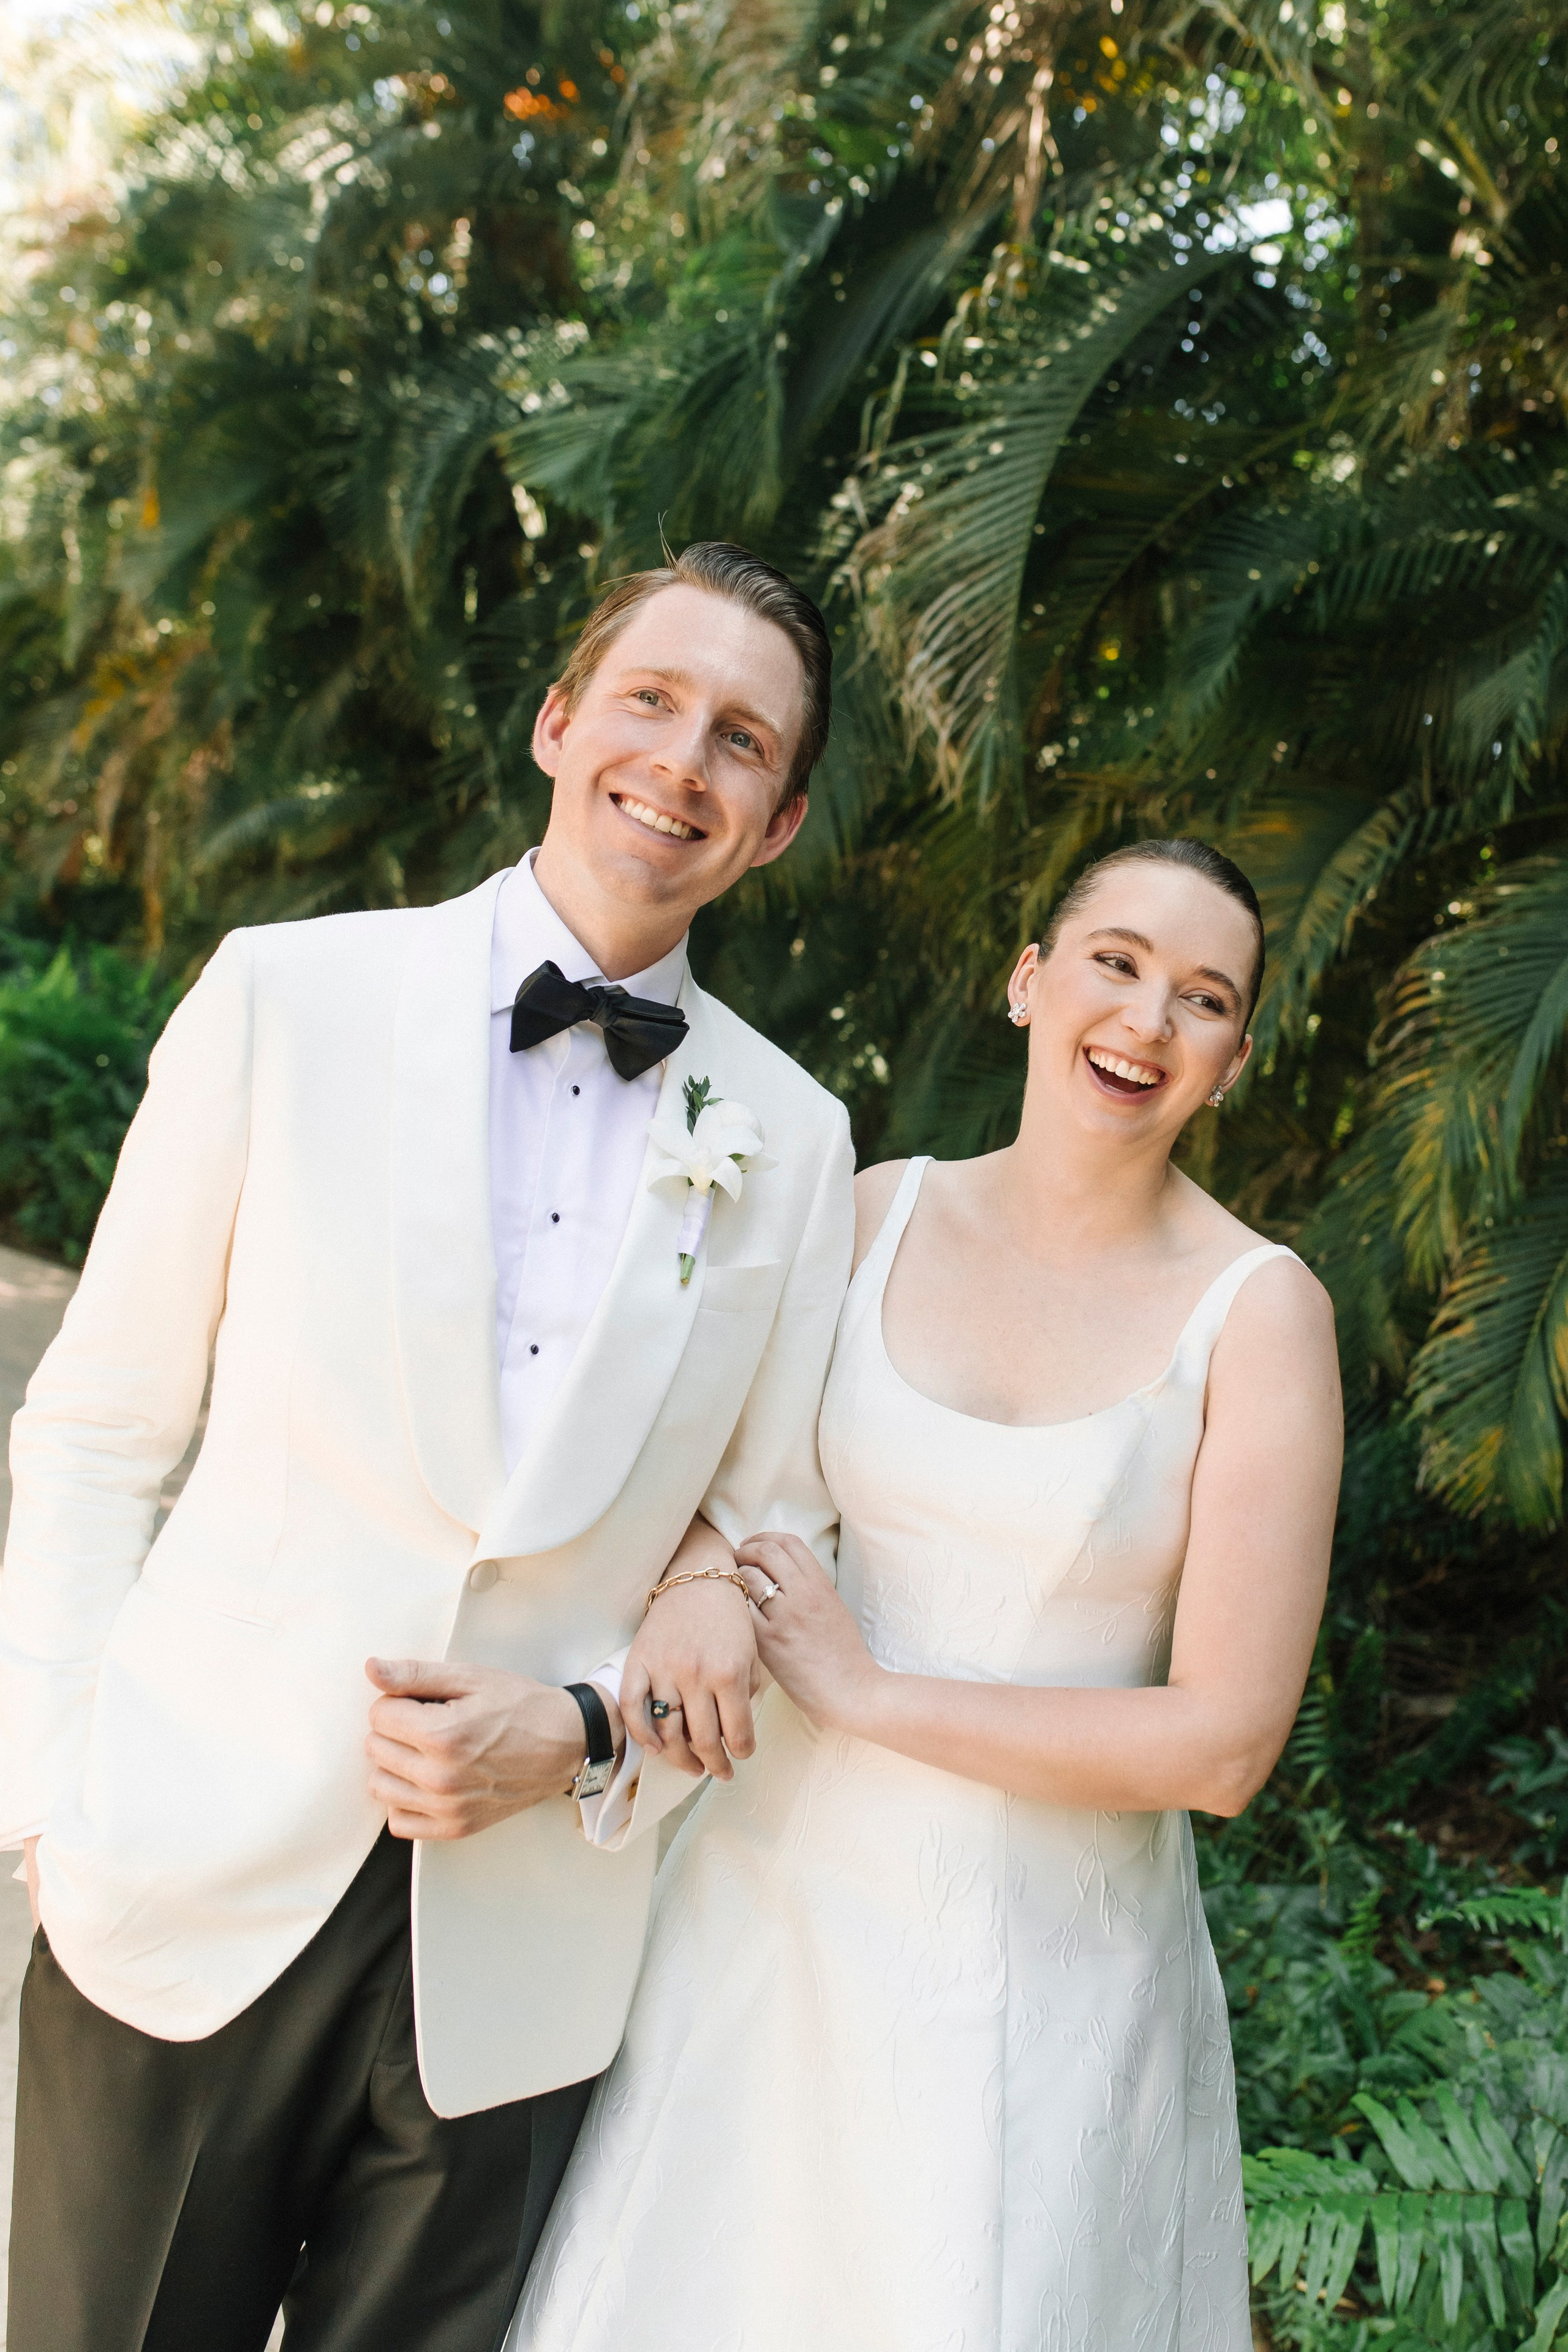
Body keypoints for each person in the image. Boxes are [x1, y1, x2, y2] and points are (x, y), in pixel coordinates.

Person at [0, 542, 853, 2352]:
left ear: (776, 825)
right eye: (650, 700)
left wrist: (598, 1735)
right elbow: (94, 1428)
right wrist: (51, 1812)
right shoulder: (282, 995)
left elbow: (764, 1545)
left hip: (524, 1968)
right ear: (559, 722)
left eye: (744, 742)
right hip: (189, 1873)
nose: (684, 761)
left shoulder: (792, 1136)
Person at [511, 837, 1343, 2352]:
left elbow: (1220, 1747)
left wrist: (871, 1693)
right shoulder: (870, 1207)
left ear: (1230, 1060)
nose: (1146, 1021)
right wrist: (705, 1576)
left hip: (1047, 1976)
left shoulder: (1259, 1313)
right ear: (1027, 982)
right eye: (1114, 962)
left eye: (1201, 999)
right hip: (763, 1927)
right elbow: (714, 1485)